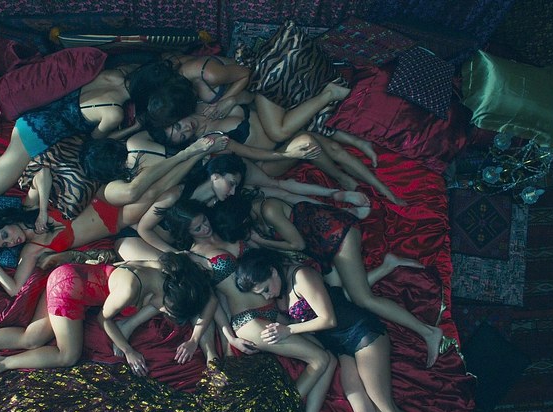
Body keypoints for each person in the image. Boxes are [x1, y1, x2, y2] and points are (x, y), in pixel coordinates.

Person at [149, 199, 336, 412]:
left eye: (204, 221)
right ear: (187, 232)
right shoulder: (193, 257)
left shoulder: (227, 230)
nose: (205, 228)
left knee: (329, 359)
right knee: (319, 358)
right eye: (197, 228)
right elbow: (212, 302)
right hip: (248, 320)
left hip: (273, 311)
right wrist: (230, 337)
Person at [0, 61, 192, 196]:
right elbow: (95, 141)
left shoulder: (113, 75)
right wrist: (132, 128)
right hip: (36, 134)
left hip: (37, 119)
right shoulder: (113, 112)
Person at [0, 136, 226, 298]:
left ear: (6, 222)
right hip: (115, 221)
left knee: (133, 190)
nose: (11, 241)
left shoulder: (28, 206)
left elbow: (43, 174)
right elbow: (14, 290)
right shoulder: (31, 250)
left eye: (5, 235)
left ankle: (188, 152)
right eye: (5, 244)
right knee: (158, 192)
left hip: (101, 198)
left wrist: (41, 211)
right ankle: (196, 155)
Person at [211, 193, 444, 367]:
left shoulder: (268, 209)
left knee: (363, 299)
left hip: (335, 235)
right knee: (338, 294)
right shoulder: (259, 218)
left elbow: (298, 244)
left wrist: (262, 243)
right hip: (320, 248)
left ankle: (428, 332)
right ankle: (387, 265)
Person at [234, 248, 428, 412]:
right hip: (341, 347)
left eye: (266, 289)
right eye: (262, 294)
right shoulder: (279, 290)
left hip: (361, 333)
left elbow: (328, 319)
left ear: (273, 271)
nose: (267, 296)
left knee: (385, 409)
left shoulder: (301, 276)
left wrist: (288, 329)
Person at [0, 252, 213, 389]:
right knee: (67, 355)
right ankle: (1, 363)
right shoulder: (130, 290)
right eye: (168, 308)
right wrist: (128, 350)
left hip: (67, 275)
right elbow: (105, 320)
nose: (164, 311)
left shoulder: (161, 269)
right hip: (69, 291)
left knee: (31, 338)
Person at [139, 97, 405, 205]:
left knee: (328, 144)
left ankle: (381, 188)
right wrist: (288, 156)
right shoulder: (210, 140)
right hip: (271, 158)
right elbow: (252, 154)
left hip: (280, 132)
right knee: (308, 143)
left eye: (179, 125)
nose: (186, 129)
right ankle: (343, 178)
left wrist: (231, 99)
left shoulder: (203, 105)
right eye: (182, 136)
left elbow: (249, 96)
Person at [163, 52, 253, 120]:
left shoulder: (208, 75)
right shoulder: (177, 87)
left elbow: (246, 73)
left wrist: (222, 102)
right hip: (247, 97)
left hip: (252, 72)